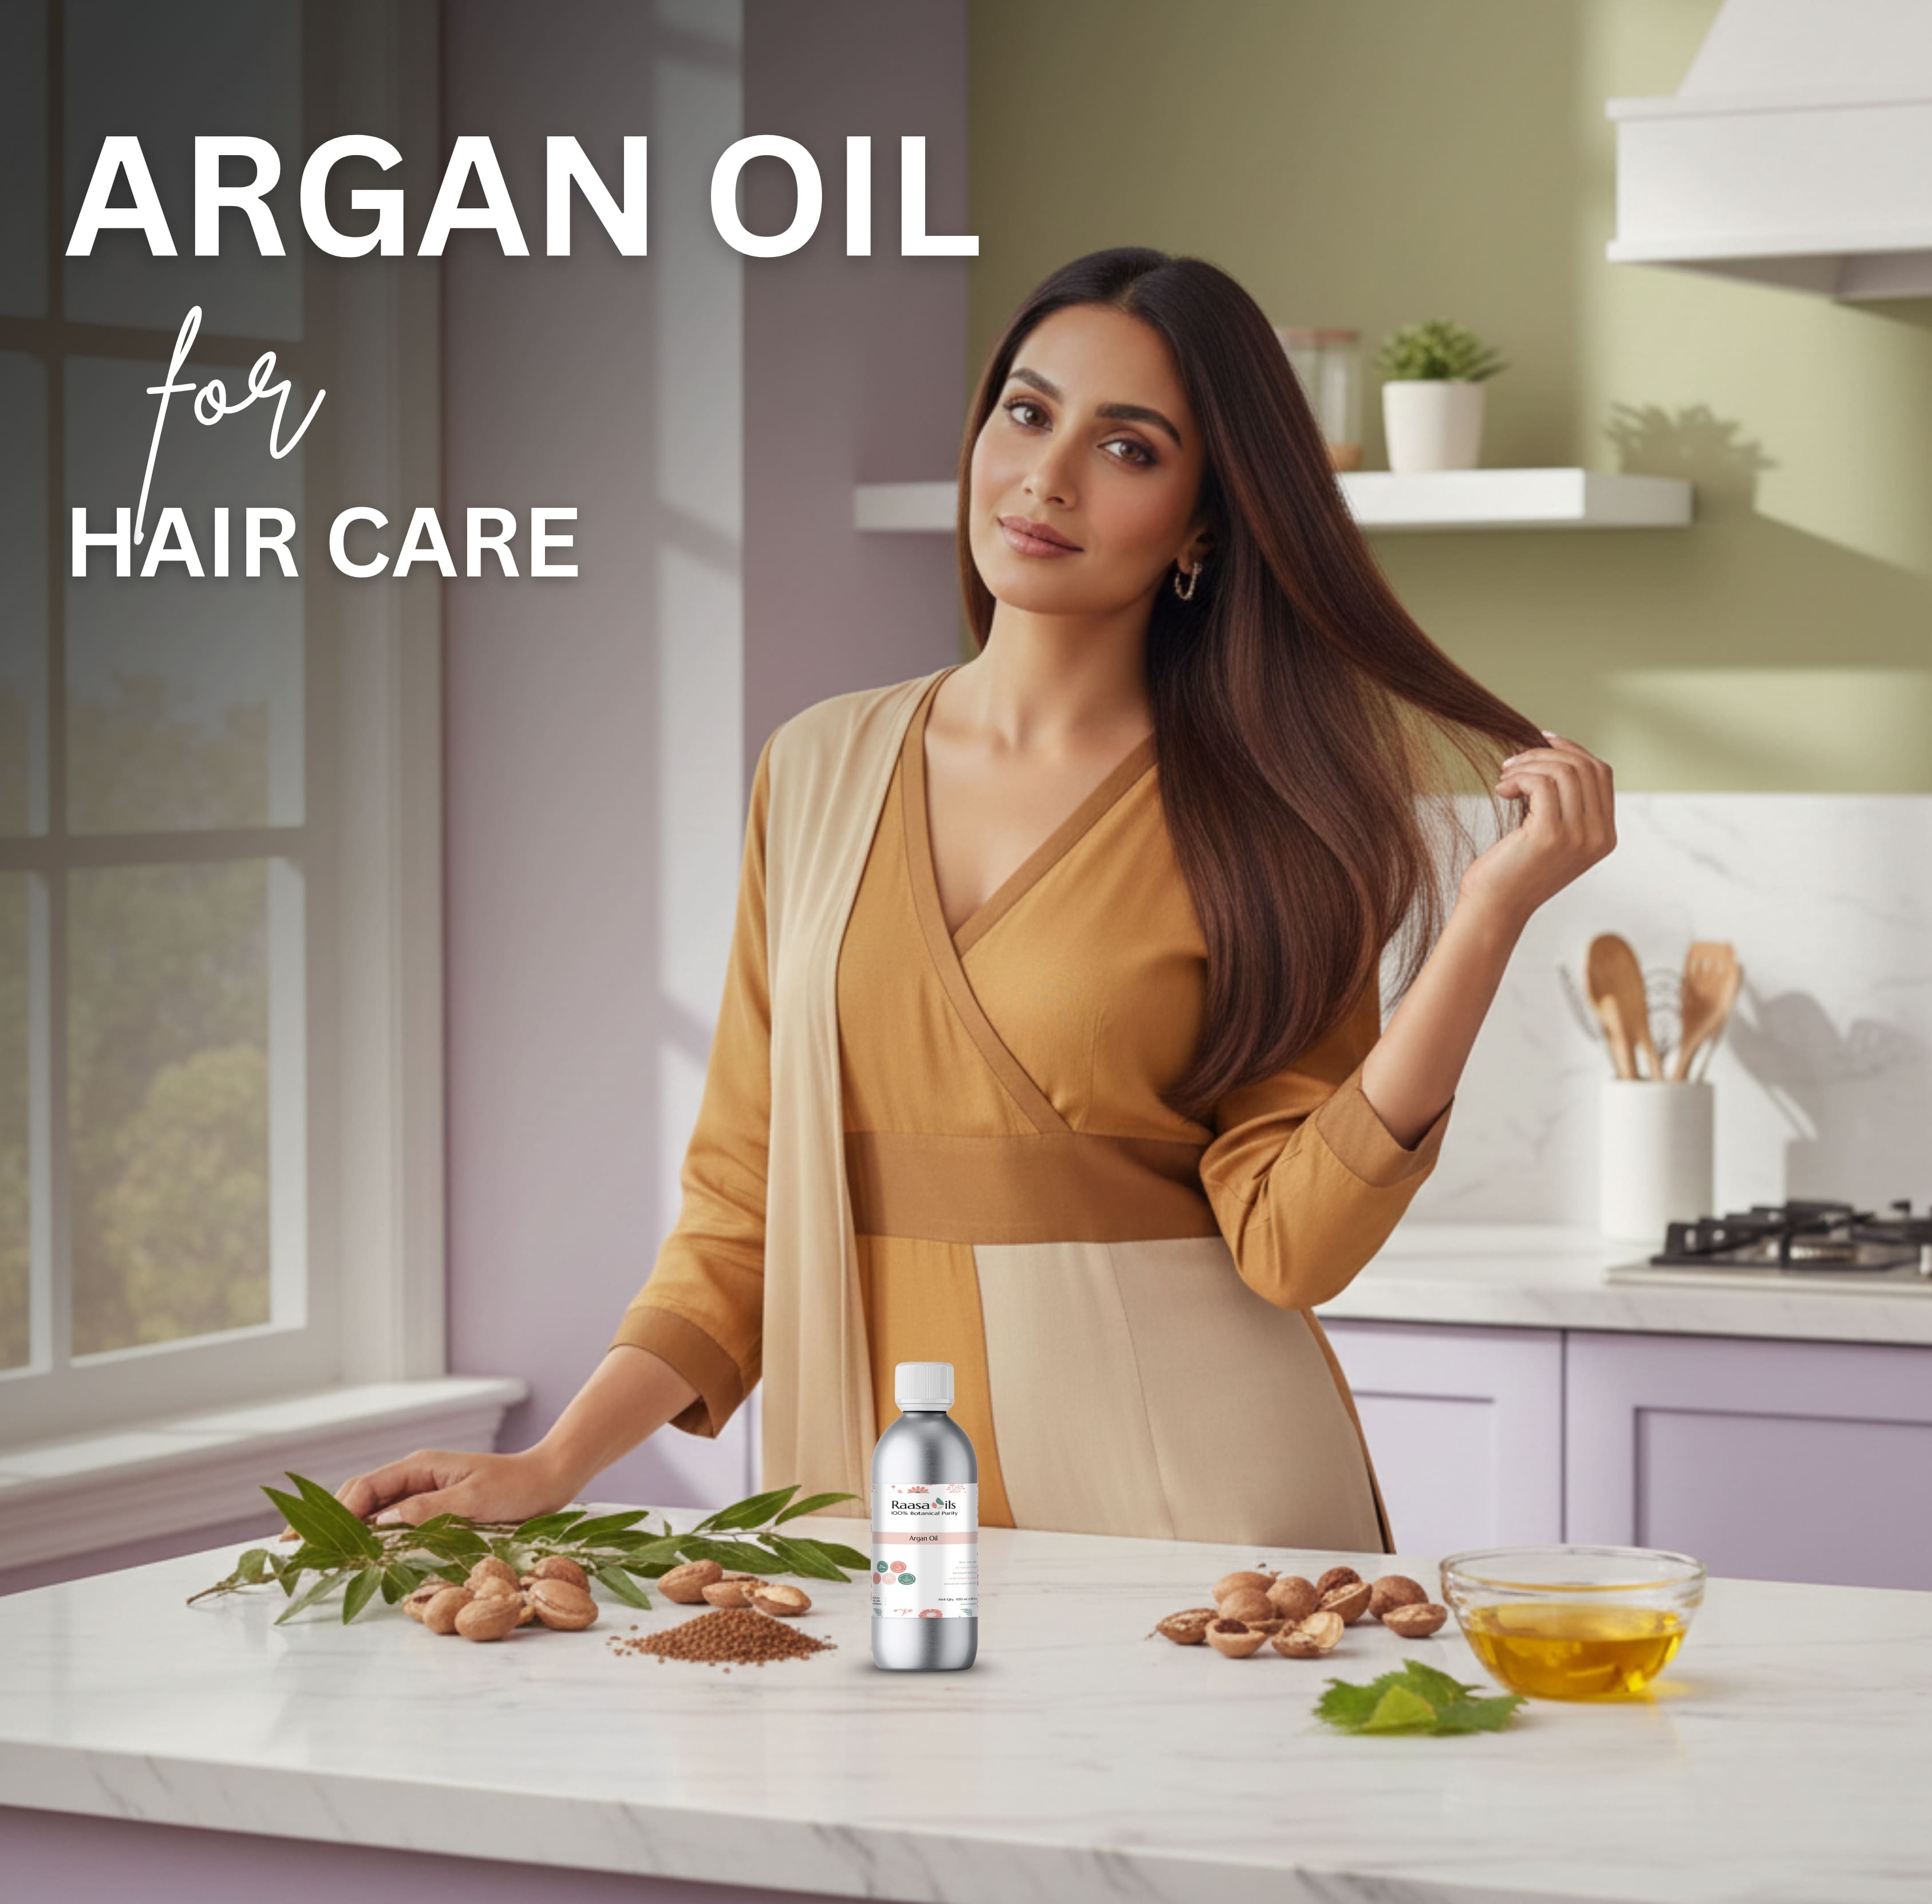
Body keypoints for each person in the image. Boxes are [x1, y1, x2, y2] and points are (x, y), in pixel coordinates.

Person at [337, 247, 1614, 1551]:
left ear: (1204, 524)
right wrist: (552, 1463)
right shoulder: (816, 766)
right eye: (1026, 411)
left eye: (1127, 448)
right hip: (878, 1500)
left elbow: (1295, 1245)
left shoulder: (1272, 820)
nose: (1047, 477)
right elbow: (742, 1209)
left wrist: (1487, 919)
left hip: (1189, 1499)